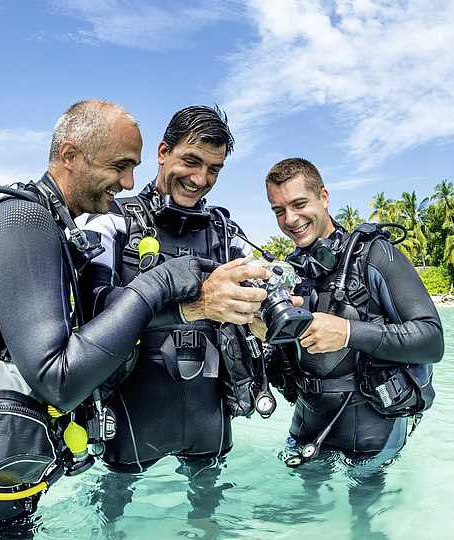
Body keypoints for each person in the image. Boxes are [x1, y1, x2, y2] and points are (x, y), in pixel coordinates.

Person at [0, 100, 218, 536]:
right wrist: (158, 284)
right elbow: (59, 379)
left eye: (133, 168)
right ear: (69, 155)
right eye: (120, 166)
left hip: (6, 466)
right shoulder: (21, 220)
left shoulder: (51, 225)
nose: (128, 183)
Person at [80, 105, 269, 523]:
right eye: (191, 161)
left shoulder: (224, 233)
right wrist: (193, 308)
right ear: (163, 152)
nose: (201, 180)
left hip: (208, 414)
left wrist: (272, 310)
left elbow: (266, 289)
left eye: (214, 169)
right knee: (111, 515)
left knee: (209, 517)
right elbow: (93, 310)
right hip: (133, 410)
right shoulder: (112, 221)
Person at [256, 157, 443, 477]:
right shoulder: (290, 270)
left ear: (324, 197)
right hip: (307, 425)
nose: (290, 219)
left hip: (372, 431)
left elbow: (431, 340)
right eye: (278, 210)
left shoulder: (375, 254)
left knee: (363, 524)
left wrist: (347, 331)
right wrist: (262, 330)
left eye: (299, 203)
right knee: (302, 519)